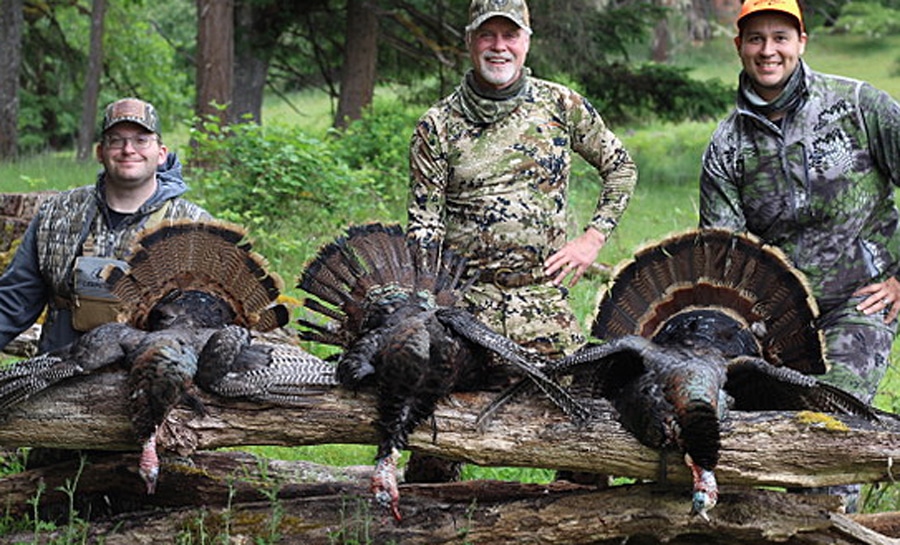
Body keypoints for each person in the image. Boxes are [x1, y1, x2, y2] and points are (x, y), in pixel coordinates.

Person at [406, 0, 638, 483]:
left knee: (586, 425)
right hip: (465, 306)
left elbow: (621, 167)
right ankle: (436, 520)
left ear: (526, 41)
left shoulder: (561, 105)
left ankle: (583, 522)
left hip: (541, 302)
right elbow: (424, 223)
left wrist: (592, 240)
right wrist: (429, 301)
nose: (498, 46)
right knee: (431, 433)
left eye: (509, 35)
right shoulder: (437, 125)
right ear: (470, 41)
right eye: (487, 35)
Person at [699, 0, 900, 512]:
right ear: (739, 46)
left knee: (832, 420)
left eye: (780, 37)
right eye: (756, 38)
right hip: (780, 319)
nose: (769, 50)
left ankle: (830, 525)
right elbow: (725, 256)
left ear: (801, 42)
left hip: (864, 297)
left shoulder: (858, 105)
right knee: (751, 424)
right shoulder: (727, 145)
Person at [0, 97, 210, 355]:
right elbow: (13, 303)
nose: (128, 149)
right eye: (116, 140)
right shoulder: (56, 215)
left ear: (161, 154)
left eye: (141, 140)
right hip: (57, 376)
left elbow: (206, 327)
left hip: (145, 381)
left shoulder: (195, 228)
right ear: (100, 152)